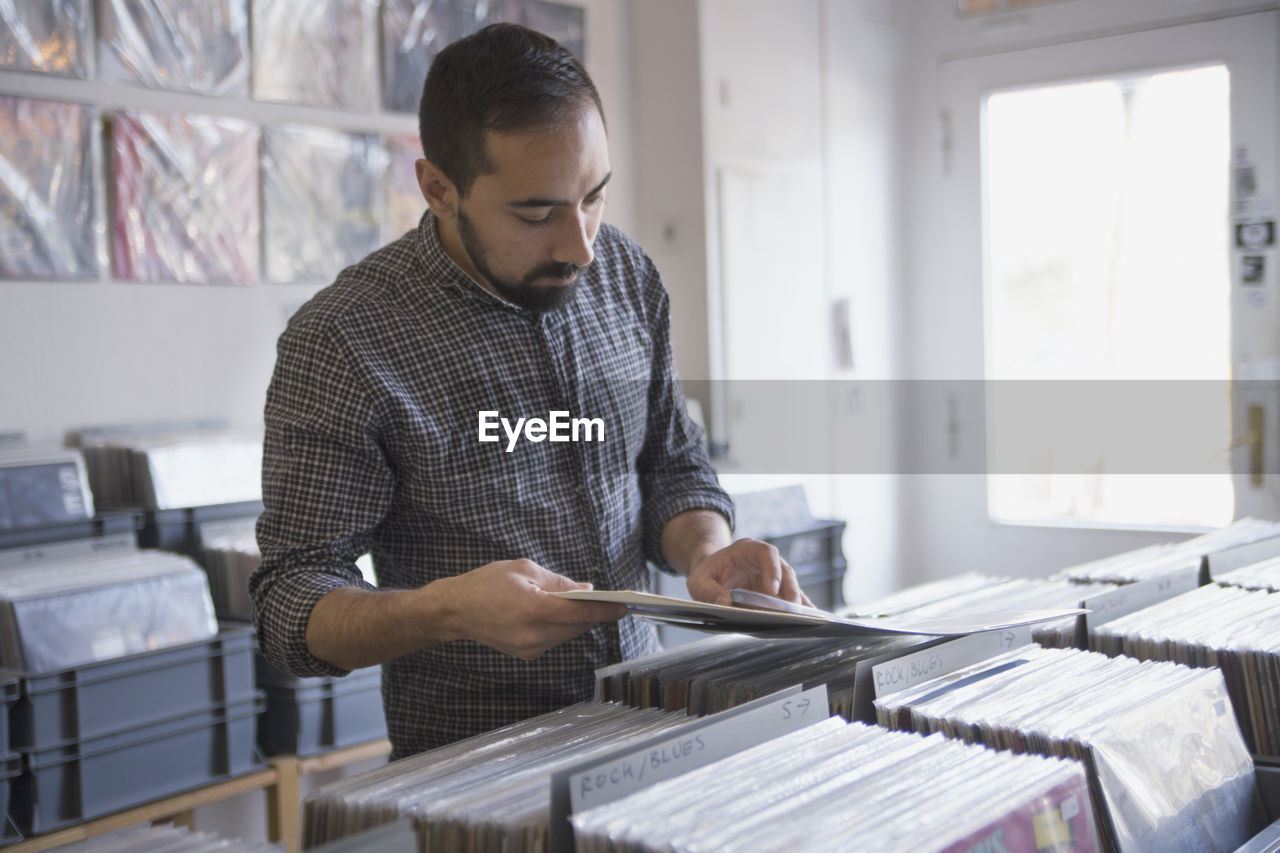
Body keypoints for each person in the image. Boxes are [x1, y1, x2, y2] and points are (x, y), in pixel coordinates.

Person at [250, 23, 809, 760]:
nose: (579, 245)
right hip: (480, 772)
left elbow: (672, 465)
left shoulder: (626, 274)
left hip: (657, 729)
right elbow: (290, 603)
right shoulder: (345, 341)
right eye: (537, 213)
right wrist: (446, 609)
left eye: (595, 197)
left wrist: (708, 551)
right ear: (438, 189)